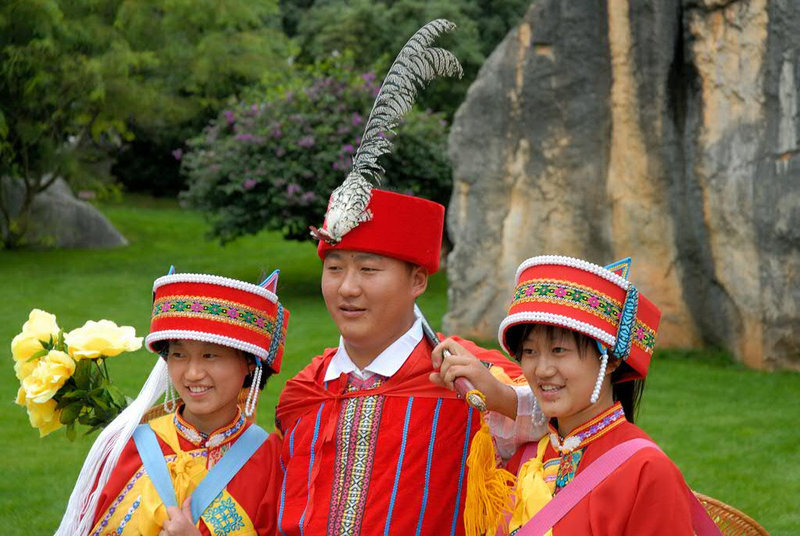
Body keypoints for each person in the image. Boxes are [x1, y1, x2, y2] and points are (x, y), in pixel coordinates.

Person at [274, 19, 536, 535]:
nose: (347, 288)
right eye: (334, 268)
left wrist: (499, 396)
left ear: (418, 280)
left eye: (369, 270)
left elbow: (573, 420)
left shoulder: (468, 381)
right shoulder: (302, 394)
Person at [434, 255, 713, 535]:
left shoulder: (645, 470)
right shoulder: (530, 454)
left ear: (612, 360)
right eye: (530, 351)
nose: (541, 370)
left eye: (559, 350)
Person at [55, 269, 289, 536]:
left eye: (210, 355)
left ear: (249, 363)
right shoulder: (126, 449)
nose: (192, 373)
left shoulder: (272, 461)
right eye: (179, 354)